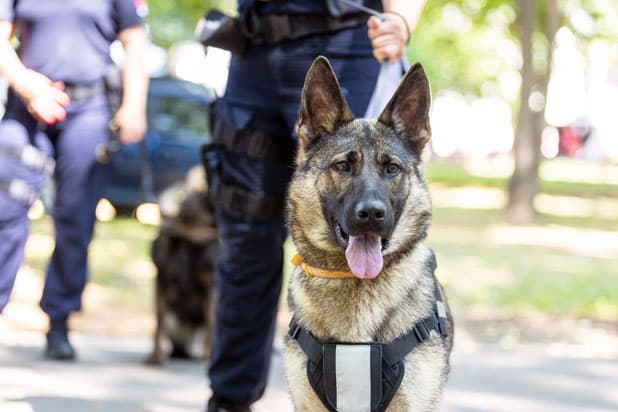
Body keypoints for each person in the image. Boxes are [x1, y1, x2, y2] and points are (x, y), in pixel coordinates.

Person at [202, 1, 426, 410]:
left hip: (350, 39)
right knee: (244, 239)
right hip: (254, 48)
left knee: (365, 211)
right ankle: (229, 400)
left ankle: (370, 401)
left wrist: (401, 19)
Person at [0, 0, 148, 360]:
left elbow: (135, 42)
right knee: (4, 210)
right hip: (27, 102)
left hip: (88, 108)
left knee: (75, 218)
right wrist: (26, 85)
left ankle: (59, 320)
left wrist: (134, 108)